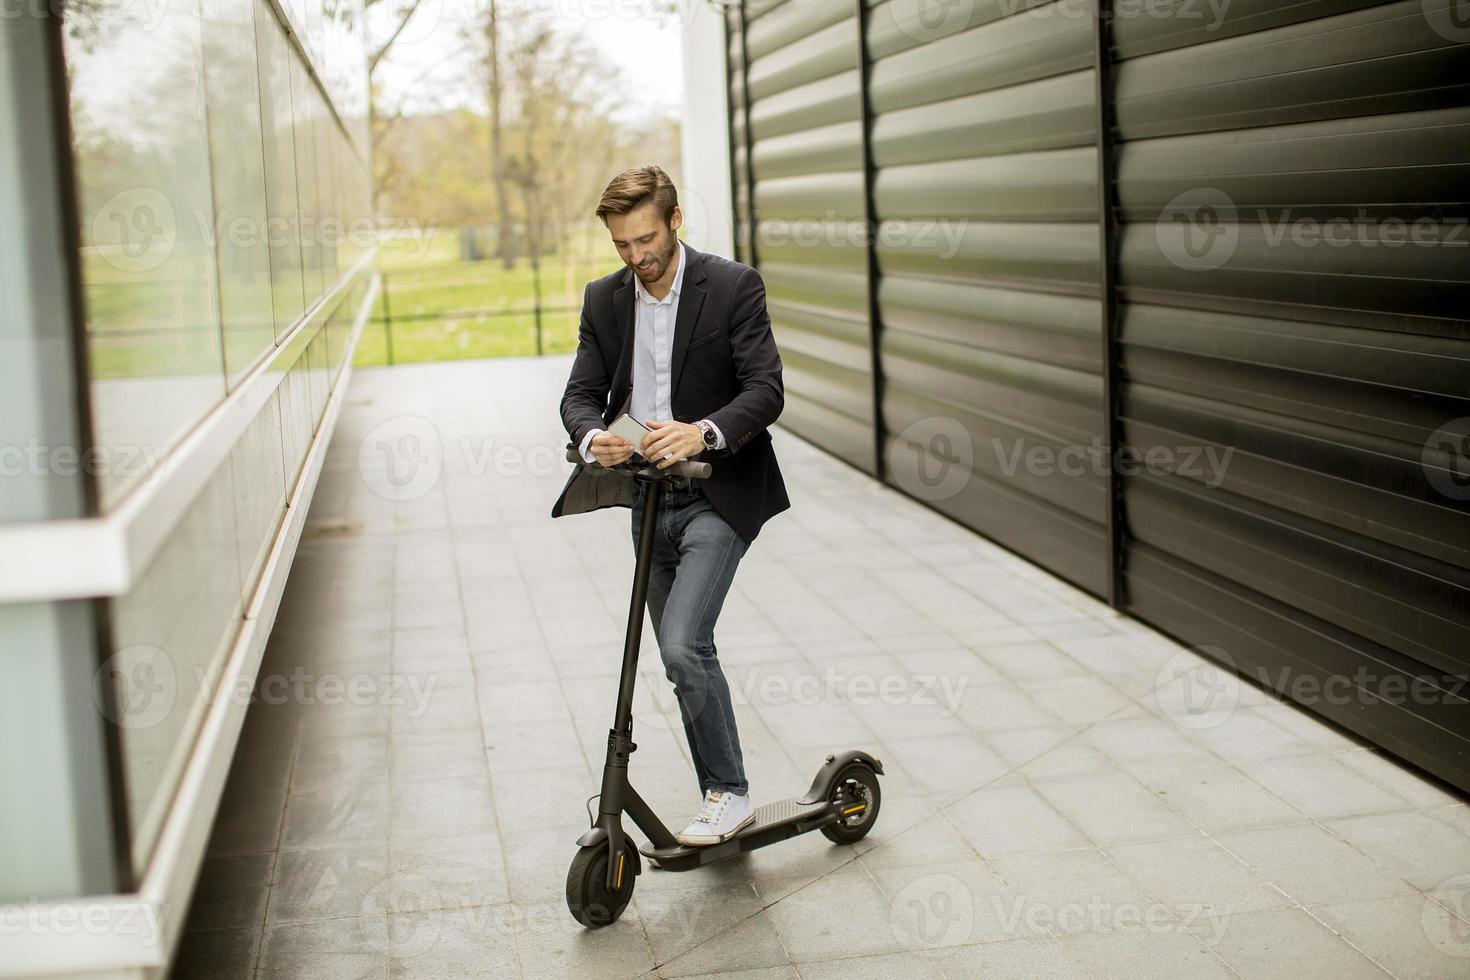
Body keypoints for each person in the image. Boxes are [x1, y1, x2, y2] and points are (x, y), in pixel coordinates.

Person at [552, 165, 789, 846]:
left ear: (675, 220)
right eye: (623, 244)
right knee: (677, 650)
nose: (637, 256)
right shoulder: (605, 299)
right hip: (646, 499)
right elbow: (579, 394)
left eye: (646, 239)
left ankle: (728, 793)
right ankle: (722, 787)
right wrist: (595, 437)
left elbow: (765, 389)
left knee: (684, 644)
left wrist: (703, 428)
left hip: (718, 488)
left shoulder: (732, 287)